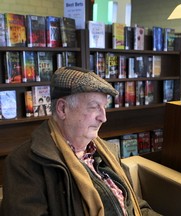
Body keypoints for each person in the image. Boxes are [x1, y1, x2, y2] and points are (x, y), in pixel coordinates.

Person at [1, 67, 161, 216]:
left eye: (104, 107)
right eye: (94, 107)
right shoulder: (23, 164)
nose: (103, 118)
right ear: (62, 109)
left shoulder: (106, 151)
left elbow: (136, 206)